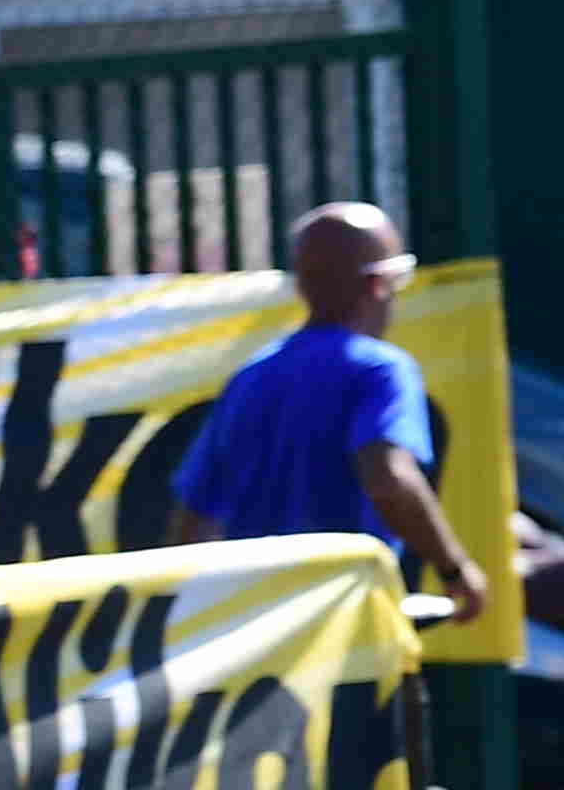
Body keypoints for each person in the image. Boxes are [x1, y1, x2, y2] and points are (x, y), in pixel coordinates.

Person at [150, 201, 494, 625]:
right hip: (342, 623)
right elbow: (389, 477)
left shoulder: (253, 376)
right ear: (377, 285)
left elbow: (194, 516)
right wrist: (455, 569)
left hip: (256, 626)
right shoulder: (380, 370)